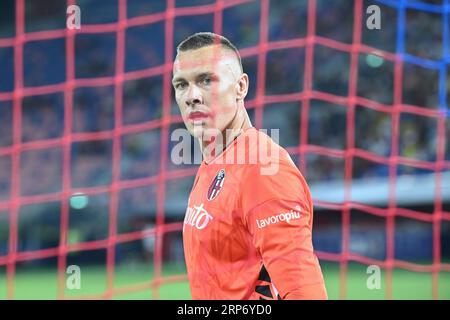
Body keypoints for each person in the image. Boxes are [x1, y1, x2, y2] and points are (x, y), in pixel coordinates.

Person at [172, 32, 327, 300]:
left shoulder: (264, 170)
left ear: (241, 87)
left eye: (206, 80)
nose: (192, 96)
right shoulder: (214, 162)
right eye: (181, 85)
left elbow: (306, 293)